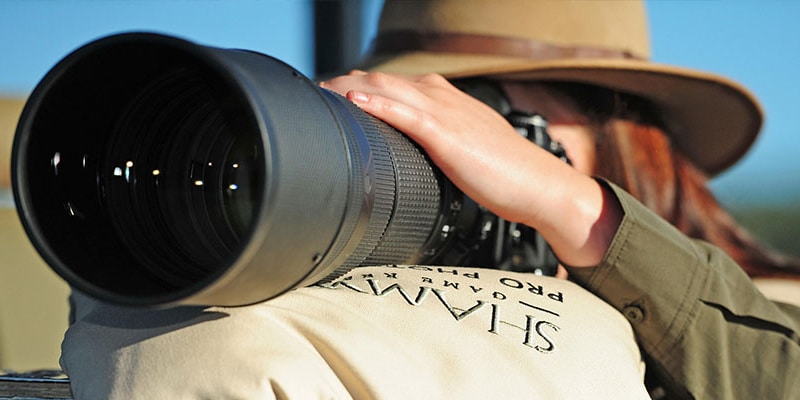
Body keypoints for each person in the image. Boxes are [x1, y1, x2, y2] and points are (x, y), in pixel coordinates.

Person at [60, 1, 800, 399]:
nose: (454, 149)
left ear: (628, 130)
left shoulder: (771, 307)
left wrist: (571, 206)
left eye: (484, 117)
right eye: (420, 110)